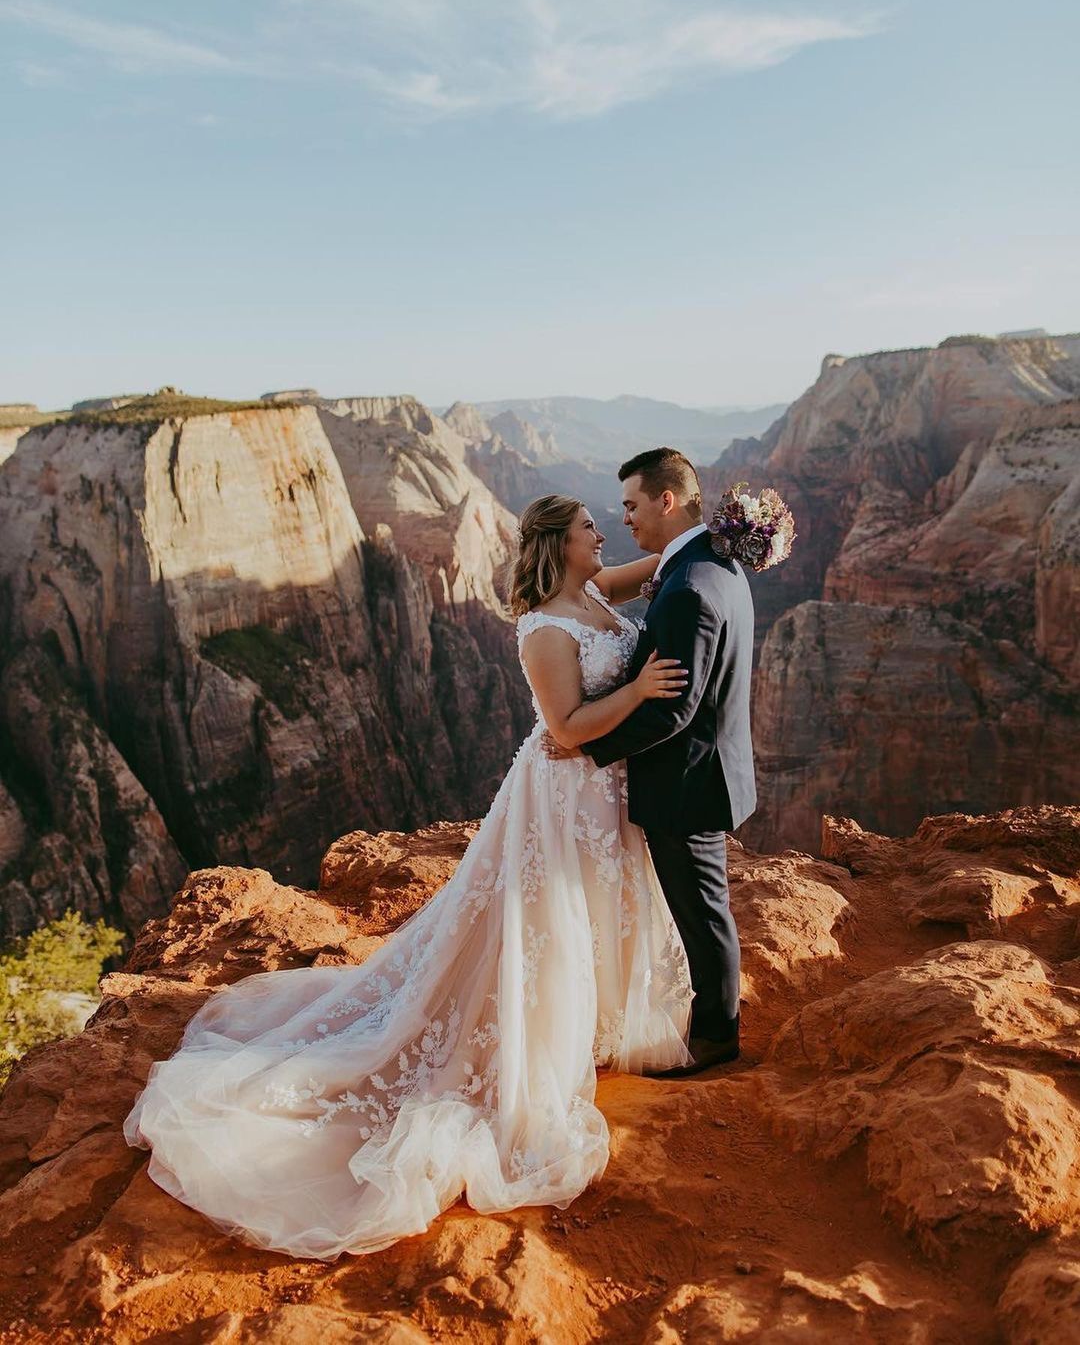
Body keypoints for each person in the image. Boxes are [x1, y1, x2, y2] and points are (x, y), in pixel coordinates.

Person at [123, 493, 695, 1261]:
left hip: (606, 793)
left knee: (594, 907)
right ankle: (538, 1041)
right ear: (560, 544)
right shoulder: (543, 629)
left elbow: (660, 565)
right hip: (564, 794)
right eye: (591, 526)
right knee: (547, 922)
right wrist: (638, 692)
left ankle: (599, 1022)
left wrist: (721, 536)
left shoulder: (594, 589)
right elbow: (564, 730)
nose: (605, 533)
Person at [543, 448, 756, 1076]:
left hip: (686, 782)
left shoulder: (688, 588)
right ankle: (706, 1022)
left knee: (703, 914)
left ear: (667, 500)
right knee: (700, 906)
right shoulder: (710, 562)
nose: (624, 518)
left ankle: (716, 1038)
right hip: (707, 770)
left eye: (631, 504)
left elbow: (674, 711)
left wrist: (586, 747)